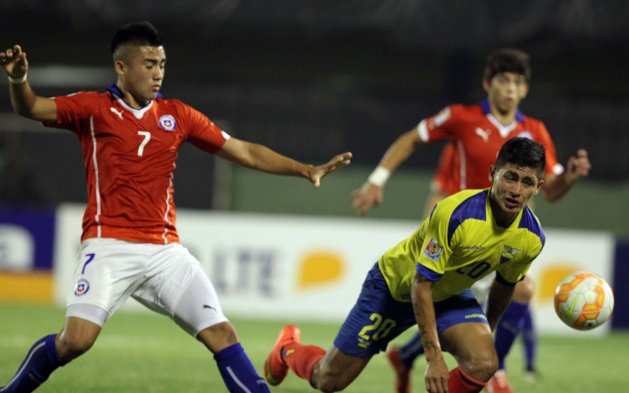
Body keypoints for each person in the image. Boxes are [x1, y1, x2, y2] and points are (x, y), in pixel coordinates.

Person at [0, 21, 351, 393]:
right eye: (149, 64)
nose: (158, 73)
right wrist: (19, 80)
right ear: (122, 67)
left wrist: (304, 169)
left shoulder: (177, 115)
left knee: (221, 332)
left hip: (165, 251)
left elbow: (243, 150)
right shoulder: (93, 108)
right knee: (76, 341)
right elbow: (32, 107)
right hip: (109, 244)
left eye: (162, 64)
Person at [351, 48, 591, 393]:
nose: (510, 88)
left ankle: (490, 368)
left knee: (520, 290)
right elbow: (411, 139)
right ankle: (416, 358)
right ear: (487, 83)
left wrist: (569, 177)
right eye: (503, 80)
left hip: (508, 234)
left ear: (525, 89)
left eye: (518, 82)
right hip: (465, 232)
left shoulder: (535, 129)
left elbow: (550, 191)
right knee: (449, 305)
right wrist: (377, 179)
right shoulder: (461, 117)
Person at [264, 137, 548, 393]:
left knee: (485, 362)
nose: (516, 190)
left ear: (538, 187)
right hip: (395, 287)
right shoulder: (457, 214)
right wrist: (434, 357)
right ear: (492, 174)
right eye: (510, 177)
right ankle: (287, 349)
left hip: (448, 296)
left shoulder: (531, 238)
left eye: (527, 182)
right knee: (328, 380)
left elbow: (505, 284)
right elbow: (420, 284)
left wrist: (488, 328)